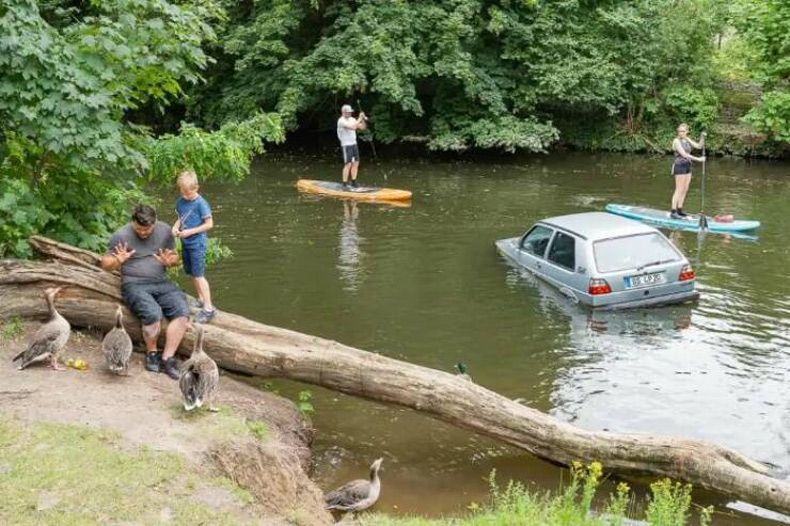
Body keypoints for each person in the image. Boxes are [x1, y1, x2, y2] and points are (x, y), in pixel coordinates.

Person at [100, 204, 188, 380]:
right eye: (140, 229)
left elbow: (175, 259)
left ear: (154, 223)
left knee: (182, 312)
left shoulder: (164, 231)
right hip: (134, 284)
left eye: (148, 229)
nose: (144, 233)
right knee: (152, 312)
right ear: (133, 222)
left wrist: (169, 262)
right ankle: (152, 353)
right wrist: (118, 260)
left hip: (161, 282)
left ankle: (167, 358)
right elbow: (105, 264)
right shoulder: (121, 235)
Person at [172, 170, 216, 324]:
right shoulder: (180, 202)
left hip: (197, 243)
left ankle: (209, 308)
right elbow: (180, 218)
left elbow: (209, 224)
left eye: (188, 193)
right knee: (191, 273)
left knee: (199, 275)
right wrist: (175, 228)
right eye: (182, 192)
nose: (185, 195)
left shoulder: (201, 203)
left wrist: (191, 231)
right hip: (185, 243)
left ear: (196, 188)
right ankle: (201, 299)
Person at [670, 124, 706, 219]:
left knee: (685, 189)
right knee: (679, 189)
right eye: (679, 131)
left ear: (686, 132)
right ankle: (673, 212)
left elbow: (699, 146)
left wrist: (702, 137)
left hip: (688, 166)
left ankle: (680, 210)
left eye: (683, 131)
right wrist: (699, 159)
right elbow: (684, 154)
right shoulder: (676, 141)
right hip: (679, 166)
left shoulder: (687, 139)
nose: (681, 133)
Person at [337, 104, 367, 190]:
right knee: (348, 164)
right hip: (346, 145)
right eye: (348, 112)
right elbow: (353, 127)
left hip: (354, 144)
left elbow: (362, 127)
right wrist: (359, 119)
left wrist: (363, 119)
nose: (350, 113)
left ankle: (354, 182)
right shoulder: (341, 121)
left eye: (350, 112)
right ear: (343, 112)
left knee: (356, 163)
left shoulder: (353, 119)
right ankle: (344, 184)